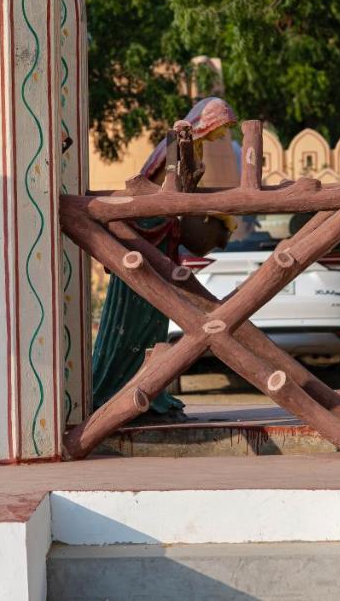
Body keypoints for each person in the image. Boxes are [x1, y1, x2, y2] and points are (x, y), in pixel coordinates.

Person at [90, 97, 238, 422]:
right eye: (218, 128)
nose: (219, 136)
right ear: (204, 123)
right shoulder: (175, 146)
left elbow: (180, 198)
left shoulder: (191, 150)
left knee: (156, 320)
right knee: (131, 319)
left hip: (161, 236)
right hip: (146, 236)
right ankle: (114, 392)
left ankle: (152, 392)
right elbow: (159, 195)